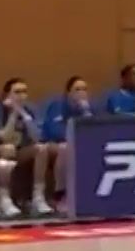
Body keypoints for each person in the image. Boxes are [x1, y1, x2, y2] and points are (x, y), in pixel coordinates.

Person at [0, 78, 44, 217]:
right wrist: (13, 114)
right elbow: (3, 138)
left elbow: (37, 138)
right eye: (17, 92)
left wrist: (24, 115)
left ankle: (38, 197)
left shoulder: (28, 110)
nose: (21, 96)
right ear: (7, 95)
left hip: (17, 150)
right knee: (7, 148)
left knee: (42, 149)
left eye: (24, 92)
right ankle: (4, 200)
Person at [38, 76, 95, 209]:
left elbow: (95, 132)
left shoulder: (88, 109)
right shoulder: (58, 106)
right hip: (52, 144)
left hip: (78, 145)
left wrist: (86, 113)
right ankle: (61, 194)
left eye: (84, 89)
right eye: (77, 89)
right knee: (65, 148)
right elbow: (55, 132)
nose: (81, 93)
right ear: (68, 93)